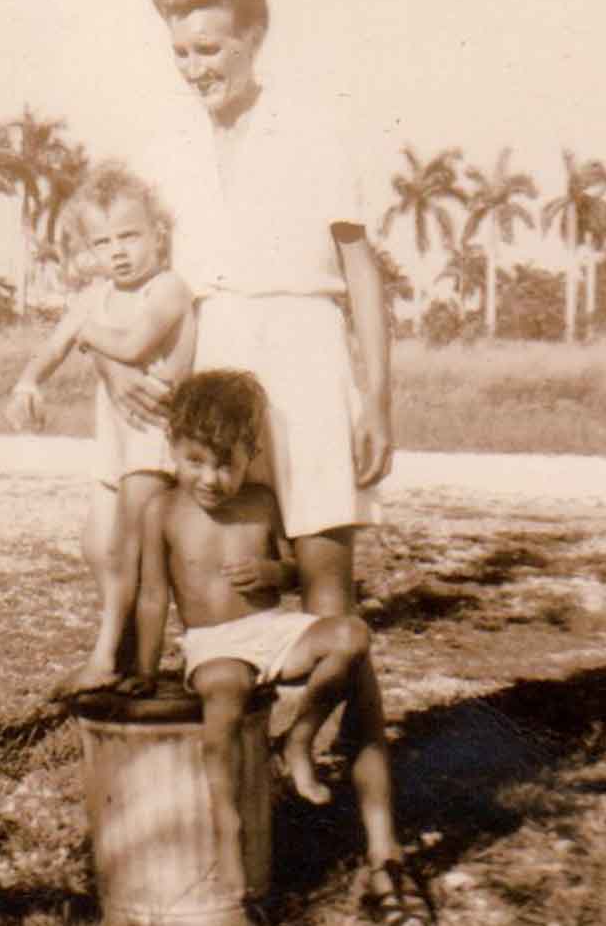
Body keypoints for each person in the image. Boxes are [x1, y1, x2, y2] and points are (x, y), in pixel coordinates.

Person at [96, 0, 433, 922]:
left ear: (253, 38)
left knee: (336, 606)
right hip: (218, 370)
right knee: (216, 580)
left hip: (310, 361)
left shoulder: (316, 125)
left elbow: (357, 267)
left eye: (210, 46)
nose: (195, 66)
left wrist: (377, 395)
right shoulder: (174, 147)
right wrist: (128, 368)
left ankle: (381, 853)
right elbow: (162, 292)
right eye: (180, 52)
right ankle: (235, 858)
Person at [126, 369, 378, 903]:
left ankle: (300, 738)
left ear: (250, 454)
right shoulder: (162, 510)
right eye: (195, 461)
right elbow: (152, 597)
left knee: (352, 636)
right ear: (172, 448)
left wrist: (274, 575)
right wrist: (146, 671)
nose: (211, 478)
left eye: (226, 464)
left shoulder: (262, 501)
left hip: (271, 631)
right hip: (213, 643)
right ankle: (227, 837)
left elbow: (292, 572)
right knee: (222, 709)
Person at [6, 159, 195, 699]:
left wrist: (85, 334)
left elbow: (134, 344)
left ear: (158, 234)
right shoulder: (96, 296)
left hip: (153, 434)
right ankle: (121, 652)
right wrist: (28, 383)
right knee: (99, 544)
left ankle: (120, 660)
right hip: (114, 438)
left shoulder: (168, 289)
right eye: (102, 241)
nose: (117, 251)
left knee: (140, 549)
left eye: (130, 236)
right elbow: (53, 345)